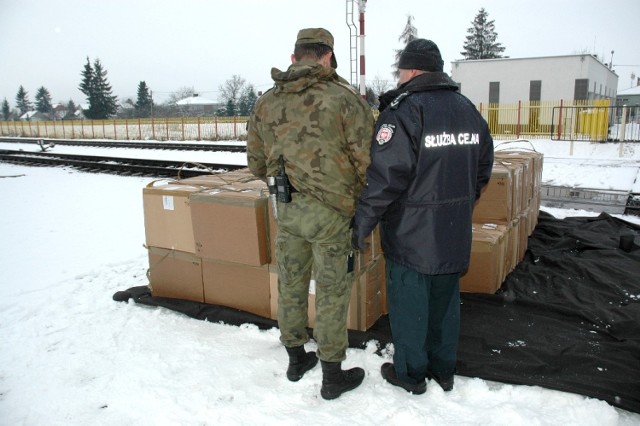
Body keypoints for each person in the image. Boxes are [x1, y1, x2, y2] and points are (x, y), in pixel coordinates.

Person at [352, 38, 494, 395]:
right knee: (445, 307)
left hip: (411, 236)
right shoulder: (467, 109)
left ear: (412, 70)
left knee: (411, 310)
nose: (399, 76)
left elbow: (385, 179)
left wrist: (360, 226)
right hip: (452, 232)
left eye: (401, 69)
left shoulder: (404, 112)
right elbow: (483, 167)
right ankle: (444, 370)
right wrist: (459, 203)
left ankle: (411, 375)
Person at [246, 28, 374, 400]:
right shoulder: (344, 99)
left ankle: (295, 358)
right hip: (333, 214)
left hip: (287, 209)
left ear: (293, 58)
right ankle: (333, 375)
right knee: (333, 292)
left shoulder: (266, 102)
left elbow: (256, 164)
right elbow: (368, 162)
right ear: (327, 57)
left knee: (291, 283)